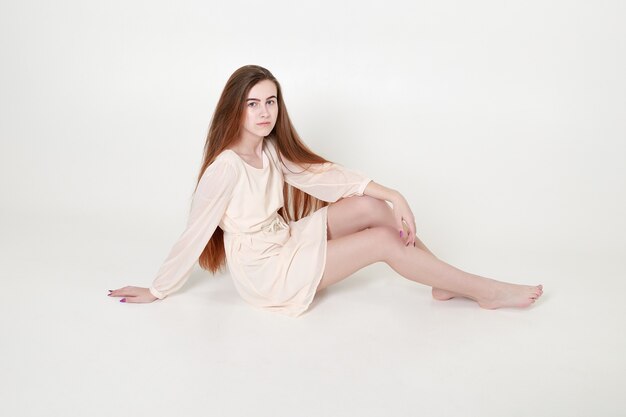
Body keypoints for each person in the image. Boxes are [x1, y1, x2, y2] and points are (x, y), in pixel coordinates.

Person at [108, 65, 543, 317]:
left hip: (286, 241)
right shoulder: (225, 169)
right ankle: (485, 290)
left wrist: (393, 194)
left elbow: (322, 177)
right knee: (382, 240)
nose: (265, 112)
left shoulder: (270, 151)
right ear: (234, 108)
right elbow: (194, 233)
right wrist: (158, 289)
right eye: (253, 103)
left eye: (271, 101)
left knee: (370, 208)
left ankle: (444, 282)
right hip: (267, 273)